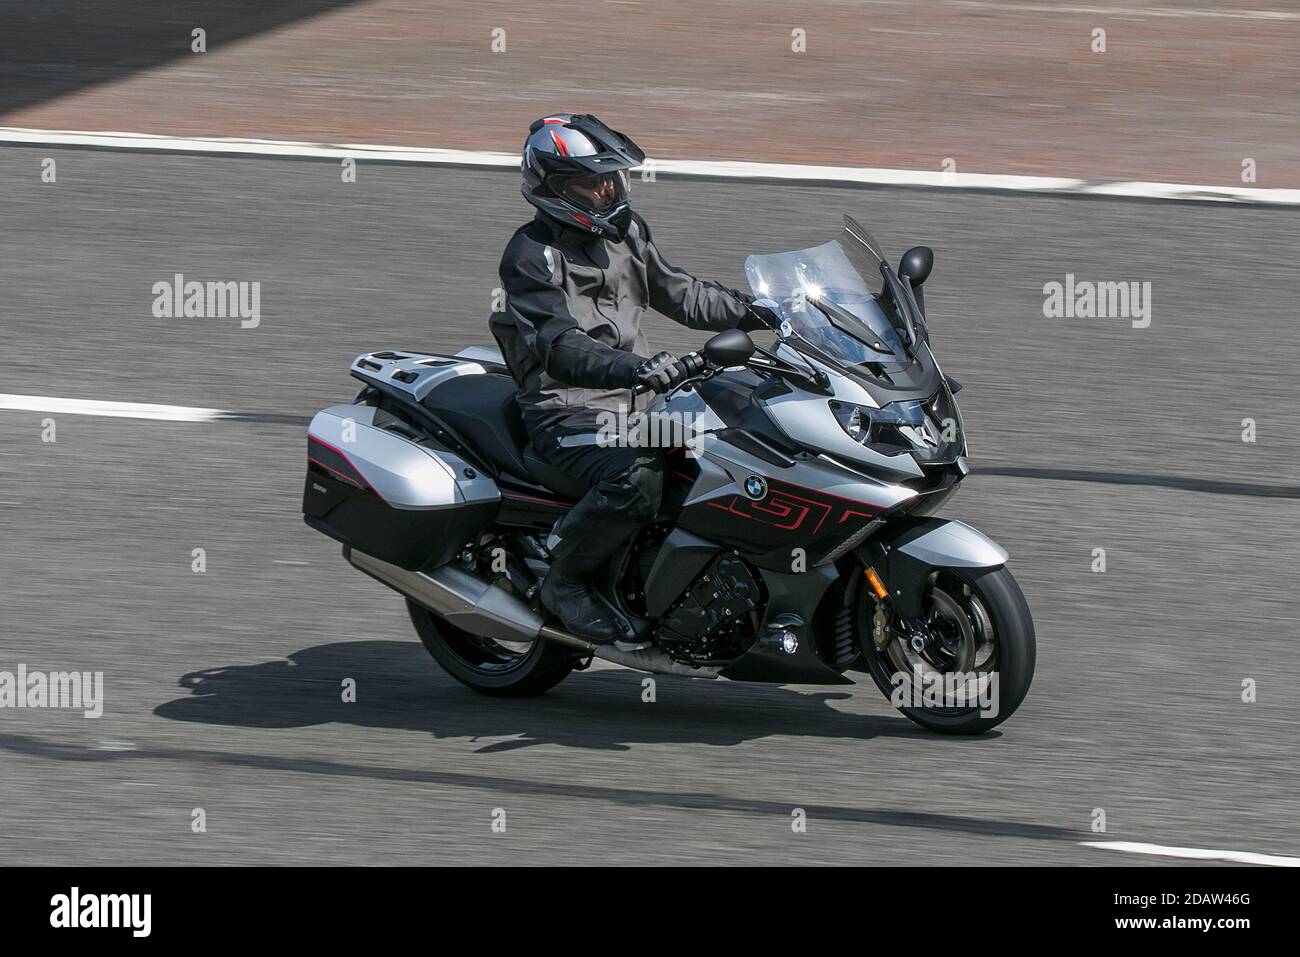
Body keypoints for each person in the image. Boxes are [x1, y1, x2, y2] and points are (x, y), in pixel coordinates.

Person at [491, 113, 773, 647]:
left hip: (638, 403)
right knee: (636, 479)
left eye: (612, 180)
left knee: (741, 441)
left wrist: (764, 312)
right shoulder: (531, 257)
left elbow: (682, 293)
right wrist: (638, 368)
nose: (608, 191)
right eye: (592, 183)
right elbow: (559, 346)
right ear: (554, 188)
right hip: (567, 412)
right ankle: (565, 582)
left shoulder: (627, 232)